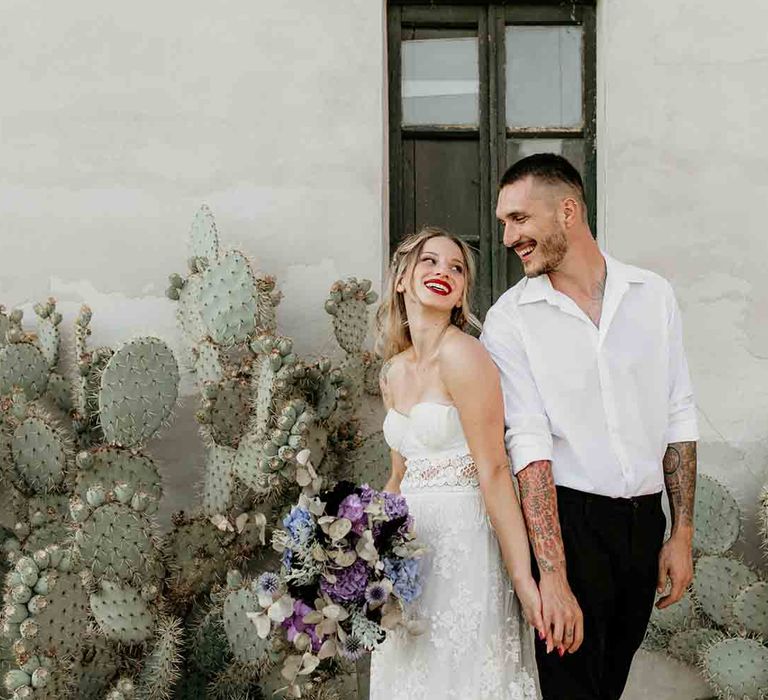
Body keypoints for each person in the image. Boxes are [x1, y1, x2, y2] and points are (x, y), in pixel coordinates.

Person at [480, 153, 698, 700]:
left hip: (644, 524)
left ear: (569, 211)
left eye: (520, 219)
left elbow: (678, 415)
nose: (508, 237)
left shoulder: (654, 296)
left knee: (608, 687)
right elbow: (526, 445)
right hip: (569, 522)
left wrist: (681, 533)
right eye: (504, 223)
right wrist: (552, 574)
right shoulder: (511, 319)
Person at [369, 226, 545, 700]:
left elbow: (493, 469)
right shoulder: (393, 372)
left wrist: (524, 578)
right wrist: (361, 553)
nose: (443, 272)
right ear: (402, 278)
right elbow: (399, 475)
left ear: (463, 291)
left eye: (456, 267)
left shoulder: (465, 356)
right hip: (408, 547)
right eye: (429, 261)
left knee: (462, 676)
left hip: (463, 543)